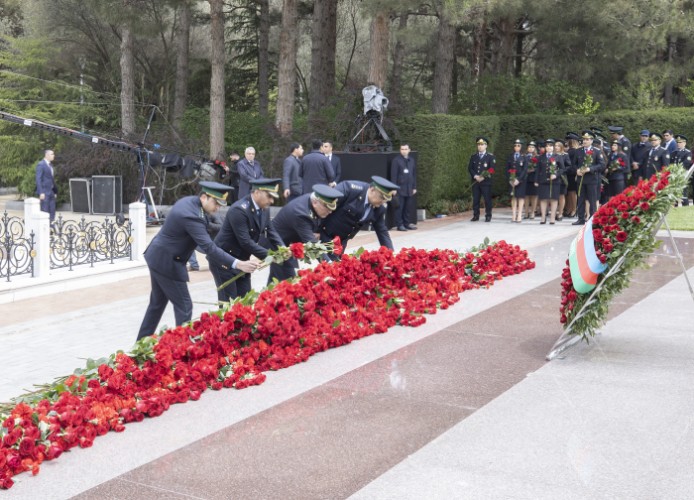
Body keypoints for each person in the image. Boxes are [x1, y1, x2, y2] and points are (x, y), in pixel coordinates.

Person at [136, 181, 259, 340]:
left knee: (156, 305)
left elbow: (207, 234)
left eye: (221, 204)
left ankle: (140, 344)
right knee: (184, 306)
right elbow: (208, 246)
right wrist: (238, 263)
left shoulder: (193, 205)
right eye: (216, 202)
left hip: (158, 257)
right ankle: (184, 349)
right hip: (167, 262)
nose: (218, 208)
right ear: (203, 197)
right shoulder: (192, 216)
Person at [210, 178, 285, 301]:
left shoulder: (264, 208)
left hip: (243, 259)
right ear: (257, 193)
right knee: (229, 302)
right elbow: (245, 241)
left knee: (245, 300)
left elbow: (271, 230)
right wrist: (270, 256)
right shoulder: (239, 210)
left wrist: (282, 249)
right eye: (269, 196)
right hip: (224, 259)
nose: (271, 200)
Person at [268, 184, 344, 282]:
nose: (329, 212)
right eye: (327, 208)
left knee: (278, 280)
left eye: (331, 209)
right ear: (315, 202)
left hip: (289, 243)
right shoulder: (301, 213)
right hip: (278, 244)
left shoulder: (313, 201)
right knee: (287, 281)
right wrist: (329, 264)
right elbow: (313, 245)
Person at [319, 175, 398, 259]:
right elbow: (323, 207)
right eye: (381, 198)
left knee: (334, 267)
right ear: (372, 189)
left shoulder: (378, 208)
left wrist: (390, 256)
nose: (382, 202)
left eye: (385, 200)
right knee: (330, 266)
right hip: (325, 232)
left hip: (341, 240)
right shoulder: (349, 189)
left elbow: (382, 231)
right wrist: (316, 230)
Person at [572, 130, 605, 226]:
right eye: (584, 139)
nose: (585, 141)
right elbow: (573, 164)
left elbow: (601, 165)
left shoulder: (597, 151)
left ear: (591, 140)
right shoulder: (578, 151)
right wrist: (576, 170)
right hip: (581, 179)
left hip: (592, 179)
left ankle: (592, 218)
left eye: (587, 139)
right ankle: (581, 218)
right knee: (580, 199)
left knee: (592, 200)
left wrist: (590, 169)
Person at [390, 143, 418, 231]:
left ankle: (406, 223)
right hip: (399, 188)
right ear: (400, 150)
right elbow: (393, 175)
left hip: (409, 188)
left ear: (409, 150)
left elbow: (413, 174)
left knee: (408, 207)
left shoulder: (411, 160)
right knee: (399, 207)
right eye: (402, 149)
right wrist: (394, 188)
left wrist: (414, 187)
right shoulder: (396, 160)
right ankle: (400, 225)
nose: (404, 151)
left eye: (406, 149)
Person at [468, 136, 496, 222]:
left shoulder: (490, 157)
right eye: (479, 144)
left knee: (487, 199)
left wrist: (483, 176)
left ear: (486, 146)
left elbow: (492, 169)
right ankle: (476, 215)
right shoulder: (473, 156)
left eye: (482, 144)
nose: (480, 146)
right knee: (476, 199)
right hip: (476, 181)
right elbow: (470, 168)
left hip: (485, 182)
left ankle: (488, 215)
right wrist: (475, 176)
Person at [534, 139, 561, 224]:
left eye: (550, 145)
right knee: (543, 199)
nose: (548, 147)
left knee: (554, 199)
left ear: (553, 147)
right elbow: (538, 169)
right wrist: (536, 180)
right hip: (543, 180)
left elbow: (563, 169)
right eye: (547, 146)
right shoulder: (541, 157)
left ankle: (552, 218)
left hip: (555, 181)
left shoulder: (558, 156)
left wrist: (556, 174)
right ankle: (543, 217)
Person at [506, 138, 527, 223]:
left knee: (521, 197)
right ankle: (514, 215)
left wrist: (518, 179)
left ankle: (519, 215)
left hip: (521, 180)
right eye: (515, 145)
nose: (516, 147)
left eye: (518, 145)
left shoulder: (524, 157)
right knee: (514, 197)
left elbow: (525, 170)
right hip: (512, 180)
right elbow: (507, 169)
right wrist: (510, 179)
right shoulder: (511, 156)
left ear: (521, 147)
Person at [35, 149, 57, 222]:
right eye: (52, 154)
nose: (54, 156)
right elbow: (38, 179)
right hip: (44, 192)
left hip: (51, 192)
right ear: (47, 155)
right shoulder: (41, 164)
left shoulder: (50, 165)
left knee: (52, 210)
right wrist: (41, 192)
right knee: (45, 210)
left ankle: (51, 227)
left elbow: (52, 179)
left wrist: (55, 192)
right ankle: (45, 228)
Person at [672, 134, 693, 205]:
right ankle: (675, 205)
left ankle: (685, 206)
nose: (678, 144)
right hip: (674, 175)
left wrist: (676, 169)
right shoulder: (674, 153)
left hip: (683, 175)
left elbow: (686, 163)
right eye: (677, 142)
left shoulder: (687, 152)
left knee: (683, 193)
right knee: (674, 192)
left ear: (685, 143)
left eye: (680, 142)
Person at [524, 140, 539, 219]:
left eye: (532, 147)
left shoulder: (537, 157)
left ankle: (533, 212)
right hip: (526, 178)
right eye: (529, 147)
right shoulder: (524, 156)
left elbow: (539, 169)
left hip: (534, 178)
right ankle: (526, 212)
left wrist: (533, 169)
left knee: (534, 196)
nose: (531, 148)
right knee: (526, 196)